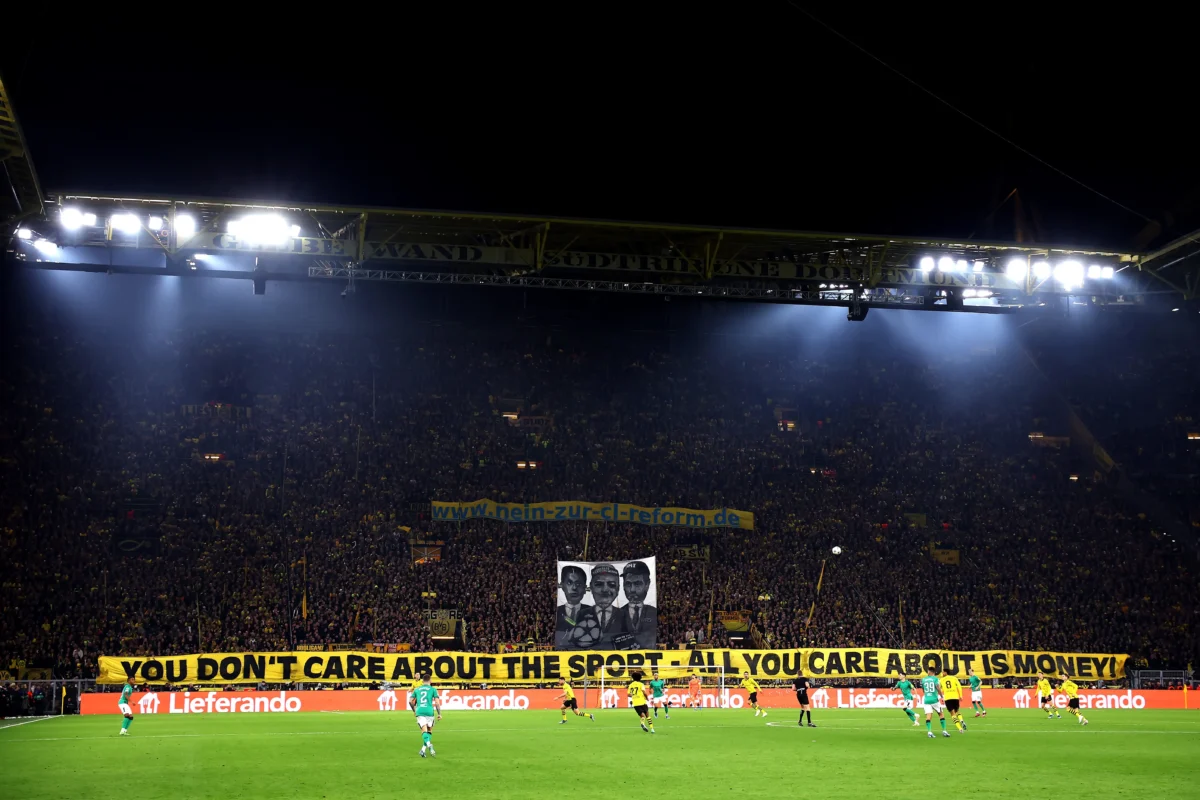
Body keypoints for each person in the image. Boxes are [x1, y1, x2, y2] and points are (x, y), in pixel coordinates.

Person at [620, 561, 658, 649]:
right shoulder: (617, 614)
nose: (632, 590)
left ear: (647, 585)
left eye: (637, 584)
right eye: (628, 584)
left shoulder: (654, 613)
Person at [555, 566, 593, 647]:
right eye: (569, 583)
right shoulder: (556, 612)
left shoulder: (592, 612)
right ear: (562, 586)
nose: (574, 588)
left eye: (578, 584)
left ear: (584, 588)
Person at [410, 672, 442, 758]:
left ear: (422, 681)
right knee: (429, 731)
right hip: (429, 712)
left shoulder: (417, 689)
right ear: (430, 680)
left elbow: (410, 701)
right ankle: (426, 747)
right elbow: (437, 703)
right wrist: (439, 714)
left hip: (420, 711)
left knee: (424, 731)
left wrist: (414, 710)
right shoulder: (433, 689)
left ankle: (426, 747)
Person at [920, 667, 950, 739]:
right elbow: (938, 688)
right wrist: (942, 697)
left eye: (928, 671)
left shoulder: (924, 679)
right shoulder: (936, 679)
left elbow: (923, 689)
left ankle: (929, 732)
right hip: (934, 700)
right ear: (934, 672)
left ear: (930, 671)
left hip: (926, 700)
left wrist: (927, 695)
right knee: (941, 714)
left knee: (929, 716)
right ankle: (944, 731)